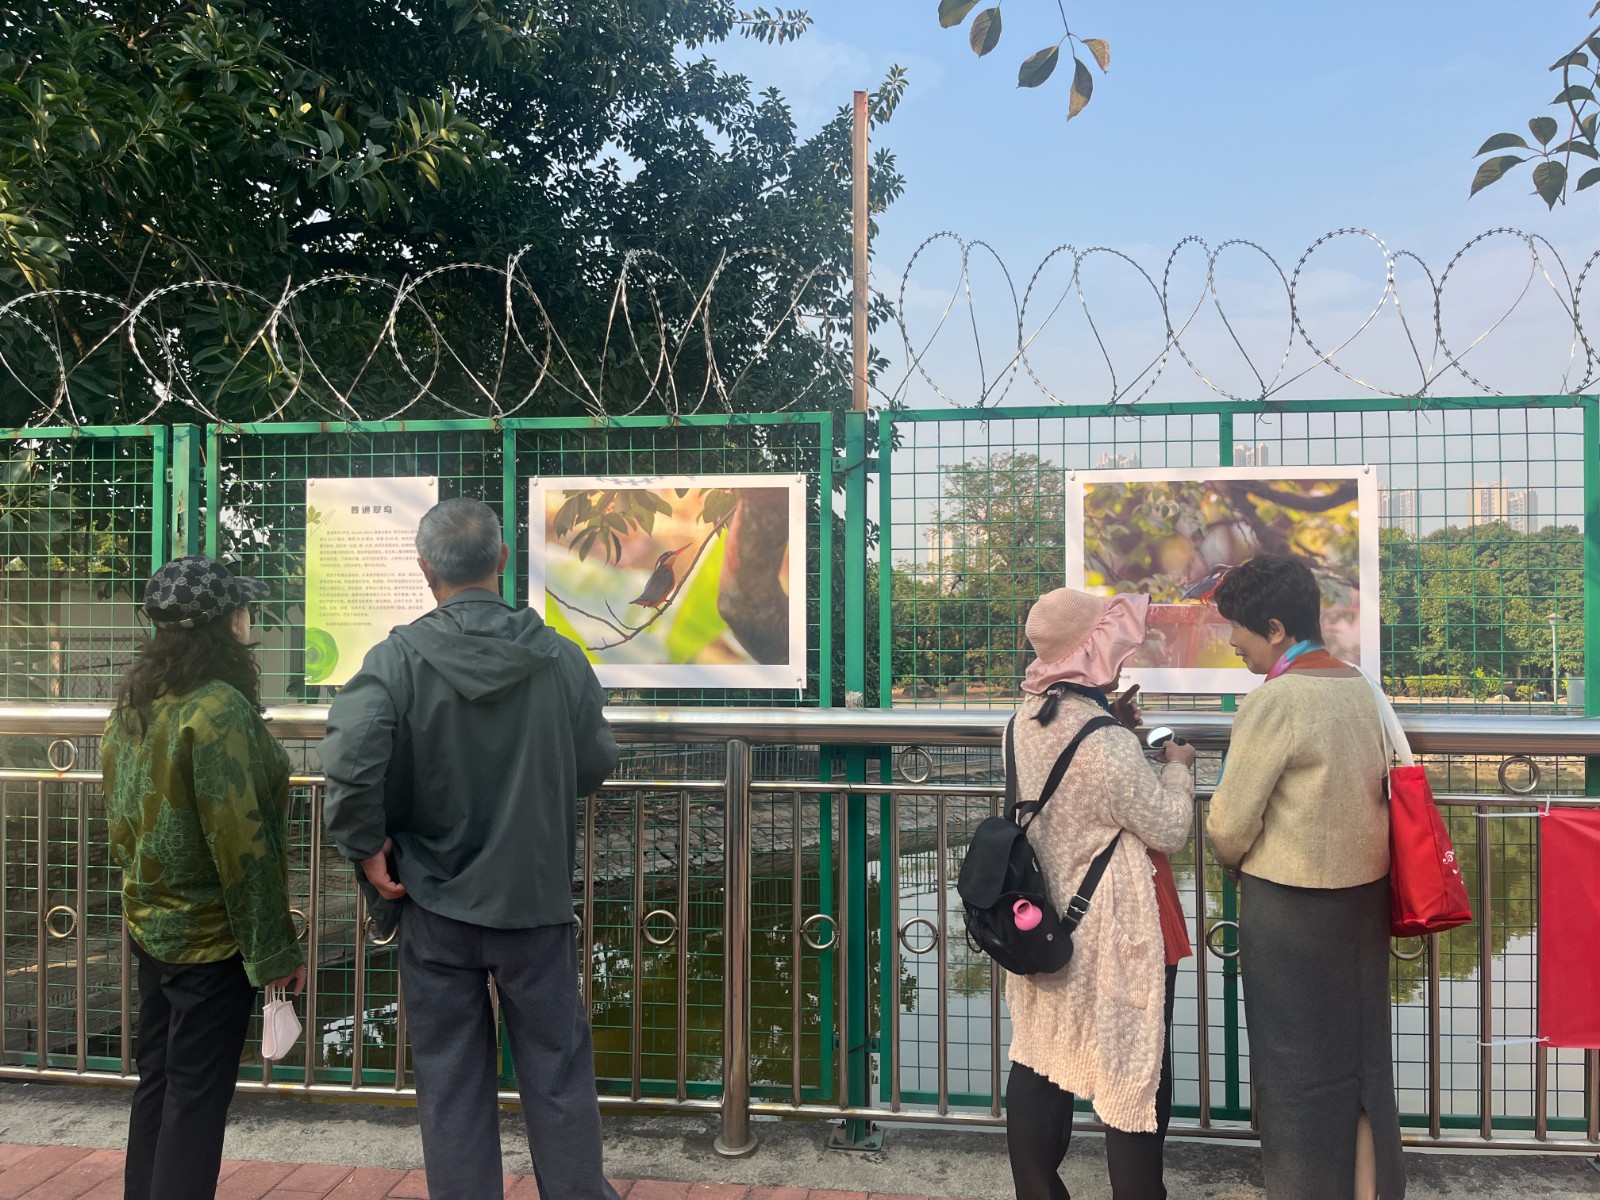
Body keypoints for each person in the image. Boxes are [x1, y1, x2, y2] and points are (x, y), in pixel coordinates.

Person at [319, 497, 621, 1200]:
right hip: (535, 900)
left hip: (432, 903)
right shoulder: (558, 657)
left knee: (450, 1076)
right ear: (502, 560)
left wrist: (365, 848)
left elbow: (351, 763)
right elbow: (594, 763)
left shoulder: (395, 659)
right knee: (558, 1069)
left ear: (426, 568)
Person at [102, 555, 307, 1200]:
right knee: (196, 1095)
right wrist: (274, 953)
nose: (249, 620)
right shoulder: (218, 709)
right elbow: (243, 846)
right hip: (212, 940)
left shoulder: (134, 703)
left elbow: (121, 821)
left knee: (158, 1081)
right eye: (242, 609)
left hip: (152, 926)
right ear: (226, 623)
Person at [1205, 555, 1406, 1200]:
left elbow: (1229, 825)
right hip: (1364, 902)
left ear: (1274, 627)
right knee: (1363, 1062)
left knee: (1294, 1073)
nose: (1232, 642)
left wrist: (1232, 859)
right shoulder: (1358, 686)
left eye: (1237, 628)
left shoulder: (1276, 700)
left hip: (1290, 911)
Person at [1004, 587, 1196, 1200]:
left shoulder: (1022, 721)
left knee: (1040, 1054)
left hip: (1043, 918)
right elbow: (1168, 827)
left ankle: (1037, 1189)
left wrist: (1116, 726)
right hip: (1113, 925)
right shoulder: (1106, 742)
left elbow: (1076, 793)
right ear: (1093, 651)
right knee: (1132, 1069)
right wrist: (1177, 766)